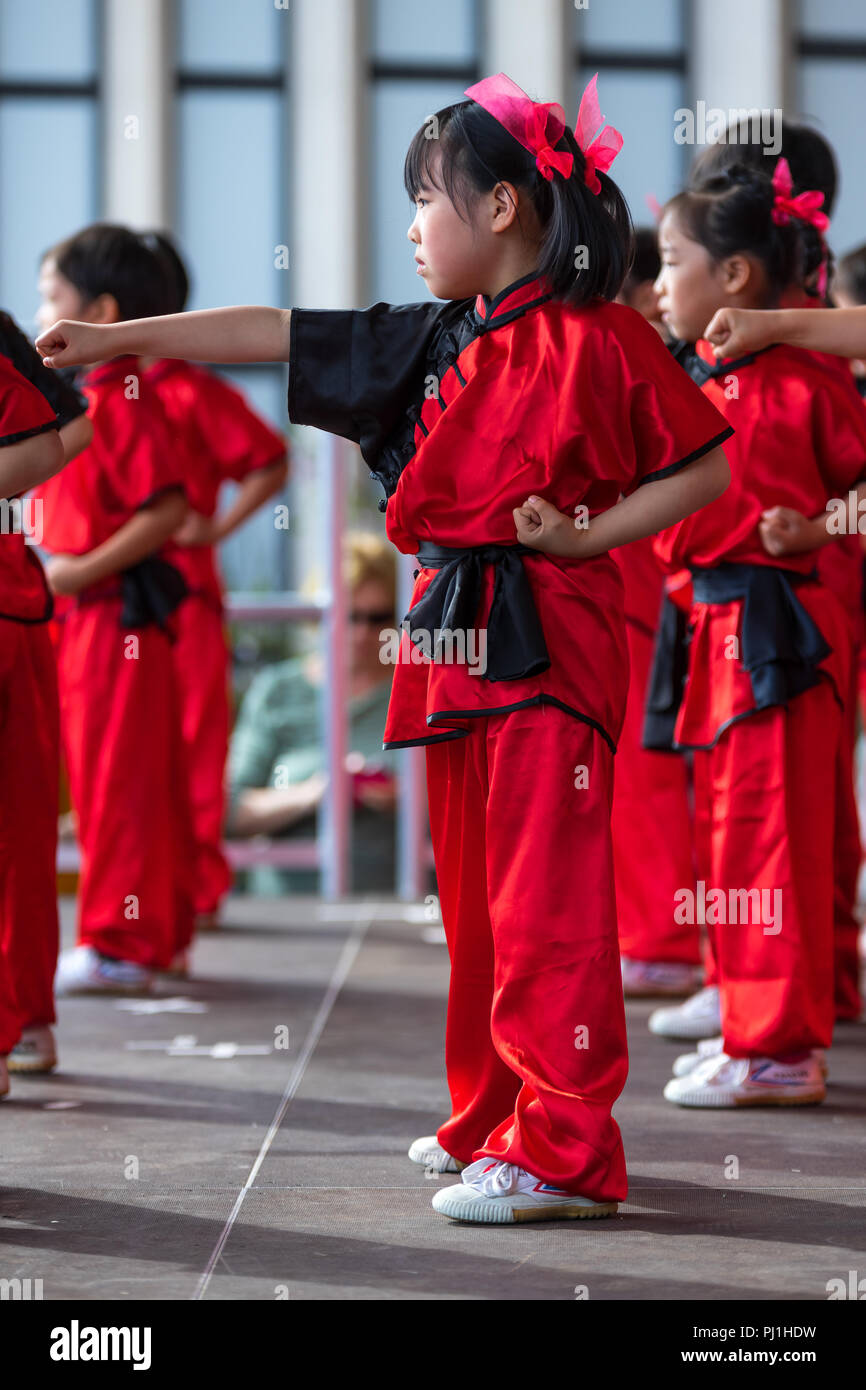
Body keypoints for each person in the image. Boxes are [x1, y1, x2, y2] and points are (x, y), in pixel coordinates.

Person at [35, 73, 731, 1223]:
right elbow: (273, 330)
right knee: (474, 902)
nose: (411, 227)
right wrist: (130, 335)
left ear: (502, 208)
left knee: (544, 900)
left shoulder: (600, 339)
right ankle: (496, 1117)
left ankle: (565, 1148)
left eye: (426, 201)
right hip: (449, 636)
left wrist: (587, 535)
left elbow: (703, 465)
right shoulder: (427, 339)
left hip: (549, 641)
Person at [640, 163, 866, 1107]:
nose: (657, 285)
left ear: (735, 276)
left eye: (670, 261)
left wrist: (818, 528)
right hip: (717, 626)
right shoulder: (704, 372)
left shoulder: (807, 376)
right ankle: (746, 1012)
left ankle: (777, 1050)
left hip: (779, 632)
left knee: (772, 843)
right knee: (733, 839)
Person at [33, 223, 196, 996]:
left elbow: (165, 509)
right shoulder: (99, 396)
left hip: (110, 618)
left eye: (51, 299)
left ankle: (122, 941)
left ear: (96, 311)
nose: (41, 317)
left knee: (117, 783)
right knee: (120, 781)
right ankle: (148, 937)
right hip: (96, 618)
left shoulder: (117, 397)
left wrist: (76, 571)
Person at [138, 233, 289, 932]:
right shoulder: (100, 396)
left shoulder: (189, 392)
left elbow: (268, 459)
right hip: (111, 608)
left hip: (183, 599)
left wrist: (215, 530)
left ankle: (190, 894)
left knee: (195, 750)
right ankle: (145, 899)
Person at [612, 230, 702, 997]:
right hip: (634, 591)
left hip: (654, 591)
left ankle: (667, 940)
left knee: (651, 774)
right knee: (632, 773)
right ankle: (653, 933)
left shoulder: (668, 369)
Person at [0, 340, 89, 1094]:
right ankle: (24, 1017)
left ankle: (22, 1016)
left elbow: (56, 435)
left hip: (22, 607)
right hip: (29, 605)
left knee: (25, 826)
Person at [227, 533, 398, 896]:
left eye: (378, 617)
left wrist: (407, 798)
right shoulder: (277, 692)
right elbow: (226, 809)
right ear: (318, 618)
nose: (362, 632)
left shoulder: (420, 691)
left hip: (399, 908)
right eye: (348, 616)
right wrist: (317, 791)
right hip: (287, 914)